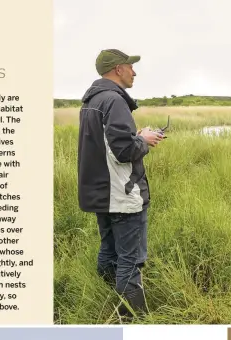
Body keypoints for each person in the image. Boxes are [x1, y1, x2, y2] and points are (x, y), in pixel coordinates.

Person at [77, 49, 164, 319]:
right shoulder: (114, 101)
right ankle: (134, 318)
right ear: (117, 69)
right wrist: (144, 140)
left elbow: (107, 146)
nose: (134, 72)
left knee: (109, 251)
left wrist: (134, 135)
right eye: (130, 67)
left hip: (102, 193)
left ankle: (108, 300)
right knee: (130, 260)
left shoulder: (92, 100)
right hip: (122, 194)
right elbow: (125, 152)